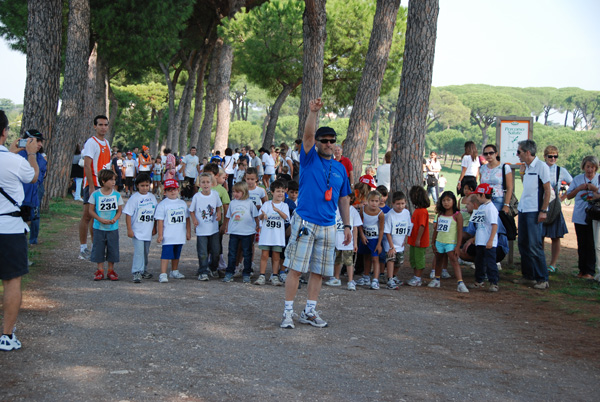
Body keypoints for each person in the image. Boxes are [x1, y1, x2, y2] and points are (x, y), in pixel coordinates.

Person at [280, 98, 352, 329]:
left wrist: (348, 226)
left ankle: (309, 311)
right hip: (305, 221)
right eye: (325, 140)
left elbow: (343, 198)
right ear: (318, 143)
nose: (328, 144)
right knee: (296, 269)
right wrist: (313, 113)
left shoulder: (340, 168)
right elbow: (308, 137)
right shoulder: (309, 158)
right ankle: (287, 313)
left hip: (329, 225)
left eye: (332, 141)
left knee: (319, 272)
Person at [0, 111, 40, 351]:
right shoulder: (15, 162)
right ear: (5, 132)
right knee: (12, 281)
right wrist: (31, 155)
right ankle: (6, 335)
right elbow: (33, 177)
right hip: (9, 228)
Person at [515, 139, 551, 289]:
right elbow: (528, 187)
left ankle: (542, 278)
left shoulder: (541, 166)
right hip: (524, 209)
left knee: (534, 245)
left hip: (534, 210)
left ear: (527, 152)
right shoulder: (527, 167)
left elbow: (547, 190)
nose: (518, 155)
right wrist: (522, 174)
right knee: (523, 243)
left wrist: (543, 210)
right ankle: (529, 275)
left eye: (519, 152)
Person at [78, 115, 111, 260]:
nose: (103, 127)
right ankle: (83, 248)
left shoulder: (107, 143)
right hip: (92, 184)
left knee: (96, 218)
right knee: (87, 216)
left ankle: (95, 247)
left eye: (105, 125)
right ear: (95, 126)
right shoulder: (91, 142)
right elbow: (87, 164)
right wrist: (91, 186)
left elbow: (107, 165)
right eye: (100, 124)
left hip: (103, 185)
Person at [566, 155, 599, 279]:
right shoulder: (578, 179)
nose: (590, 170)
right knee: (581, 244)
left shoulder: (599, 179)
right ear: (584, 167)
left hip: (595, 215)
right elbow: (569, 196)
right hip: (580, 215)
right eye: (587, 167)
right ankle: (582, 270)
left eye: (592, 167)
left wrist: (594, 189)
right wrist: (579, 188)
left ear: (596, 168)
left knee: (591, 244)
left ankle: (590, 271)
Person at [541, 146, 572, 273]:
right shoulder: (541, 168)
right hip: (542, 205)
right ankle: (541, 262)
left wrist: (563, 197)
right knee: (540, 235)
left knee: (555, 236)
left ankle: (552, 264)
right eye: (550, 156)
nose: (553, 158)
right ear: (545, 157)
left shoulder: (561, 170)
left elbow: (572, 183)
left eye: (555, 156)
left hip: (554, 207)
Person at [429, 191, 469, 293]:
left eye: (448, 200)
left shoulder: (457, 215)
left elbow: (460, 231)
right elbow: (436, 230)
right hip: (439, 242)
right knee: (438, 260)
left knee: (454, 261)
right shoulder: (440, 214)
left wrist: (458, 246)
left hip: (450, 242)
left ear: (453, 201)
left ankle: (460, 283)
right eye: (443, 200)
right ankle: (437, 279)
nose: (446, 203)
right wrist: (433, 242)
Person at [89, 169, 124, 281]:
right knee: (98, 248)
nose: (113, 182)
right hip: (99, 227)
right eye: (111, 180)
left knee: (112, 248)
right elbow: (91, 210)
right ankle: (100, 270)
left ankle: (110, 270)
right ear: (103, 181)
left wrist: (114, 219)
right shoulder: (95, 194)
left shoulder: (117, 195)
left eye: (114, 180)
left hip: (112, 227)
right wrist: (99, 219)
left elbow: (119, 211)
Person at [222, 181, 260, 283]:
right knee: (232, 253)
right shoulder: (232, 203)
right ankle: (230, 272)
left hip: (247, 232)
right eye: (234, 191)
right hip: (234, 232)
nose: (235, 194)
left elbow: (256, 216)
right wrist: (226, 227)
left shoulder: (250, 203)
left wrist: (257, 226)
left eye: (238, 192)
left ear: (244, 192)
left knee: (247, 253)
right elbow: (228, 216)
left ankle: (246, 273)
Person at [155, 179, 191, 283]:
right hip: (168, 235)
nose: (172, 192)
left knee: (176, 254)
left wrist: (188, 232)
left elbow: (187, 219)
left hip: (179, 234)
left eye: (174, 189)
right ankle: (163, 273)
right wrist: (160, 235)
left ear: (178, 190)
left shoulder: (182, 203)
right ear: (165, 192)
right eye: (169, 190)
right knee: (166, 254)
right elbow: (160, 221)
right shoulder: (163, 204)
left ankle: (174, 271)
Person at [123, 173, 157, 283]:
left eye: (147, 185)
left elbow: (156, 214)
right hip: (137, 231)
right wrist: (129, 229)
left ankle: (144, 270)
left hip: (147, 230)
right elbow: (128, 214)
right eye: (142, 185)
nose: (145, 188)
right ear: (137, 186)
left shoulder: (152, 197)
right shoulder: (134, 198)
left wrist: (154, 227)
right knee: (139, 251)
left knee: (145, 252)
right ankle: (136, 271)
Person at [255, 180, 290, 286]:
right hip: (266, 236)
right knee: (264, 255)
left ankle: (275, 275)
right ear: (272, 192)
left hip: (278, 237)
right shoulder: (266, 204)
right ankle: (262, 275)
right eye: (278, 191)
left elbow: (286, 218)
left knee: (276, 256)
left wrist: (277, 210)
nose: (280, 194)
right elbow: (260, 216)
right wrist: (263, 215)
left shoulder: (284, 206)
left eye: (282, 191)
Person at [190, 173, 223, 281]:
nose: (205, 184)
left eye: (207, 182)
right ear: (199, 184)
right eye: (203, 182)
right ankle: (203, 271)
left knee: (216, 251)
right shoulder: (197, 196)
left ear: (212, 183)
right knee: (203, 252)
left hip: (213, 229)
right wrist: (194, 219)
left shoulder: (215, 195)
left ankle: (213, 268)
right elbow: (191, 210)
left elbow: (219, 207)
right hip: (202, 230)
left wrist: (219, 213)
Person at [325, 193, 362, 290]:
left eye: (347, 198)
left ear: (351, 198)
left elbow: (355, 228)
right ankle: (336, 277)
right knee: (337, 260)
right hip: (336, 240)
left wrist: (355, 243)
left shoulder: (353, 211)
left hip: (348, 242)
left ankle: (350, 280)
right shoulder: (335, 209)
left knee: (349, 261)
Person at [468, 183, 499, 292]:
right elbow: (478, 224)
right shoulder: (481, 207)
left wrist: (490, 240)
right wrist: (476, 237)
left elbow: (494, 225)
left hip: (488, 241)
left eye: (477, 195)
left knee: (490, 262)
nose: (476, 197)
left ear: (483, 195)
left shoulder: (491, 208)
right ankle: (479, 280)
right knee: (479, 261)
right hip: (480, 241)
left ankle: (493, 282)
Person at [18, 130, 46, 245]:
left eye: (41, 141)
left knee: (26, 225)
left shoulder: (41, 159)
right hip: (18, 199)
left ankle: (26, 251)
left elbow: (38, 179)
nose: (39, 144)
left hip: (31, 200)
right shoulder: (17, 156)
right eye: (36, 141)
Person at [356, 191, 385, 290]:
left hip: (375, 239)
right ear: (368, 201)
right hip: (365, 237)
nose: (374, 203)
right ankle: (366, 276)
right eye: (372, 201)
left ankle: (375, 280)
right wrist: (362, 235)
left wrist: (379, 243)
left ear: (379, 202)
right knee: (366, 257)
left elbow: (381, 229)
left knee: (375, 258)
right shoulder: (363, 210)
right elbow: (359, 223)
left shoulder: (381, 214)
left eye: (376, 201)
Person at [383, 191, 411, 289]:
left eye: (402, 203)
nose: (400, 206)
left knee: (399, 262)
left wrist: (405, 239)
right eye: (398, 204)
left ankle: (394, 276)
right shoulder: (390, 215)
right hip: (390, 243)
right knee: (391, 259)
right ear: (393, 204)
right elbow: (387, 232)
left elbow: (408, 226)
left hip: (400, 242)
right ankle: (390, 279)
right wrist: (391, 246)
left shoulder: (406, 213)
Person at [406, 186, 430, 287]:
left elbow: (422, 226)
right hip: (413, 239)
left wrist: (418, 239)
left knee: (419, 259)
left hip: (419, 240)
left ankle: (418, 278)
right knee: (414, 258)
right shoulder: (417, 210)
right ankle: (415, 276)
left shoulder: (422, 211)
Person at [479, 144, 513, 214]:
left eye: (491, 153)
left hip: (498, 199)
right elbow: (481, 185)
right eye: (486, 154)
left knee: (496, 222)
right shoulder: (482, 168)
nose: (488, 155)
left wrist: (506, 204)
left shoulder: (505, 167)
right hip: (484, 199)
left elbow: (509, 187)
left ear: (496, 154)